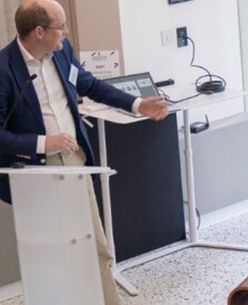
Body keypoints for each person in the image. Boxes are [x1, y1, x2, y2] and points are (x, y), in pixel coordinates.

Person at [0, 1, 170, 304]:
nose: (65, 33)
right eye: (60, 27)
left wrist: (136, 104)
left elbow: (90, 85)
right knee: (48, 252)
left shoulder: (62, 52)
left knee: (93, 243)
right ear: (39, 32)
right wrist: (42, 143)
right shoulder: (3, 69)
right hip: (33, 174)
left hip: (74, 162)